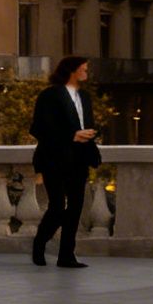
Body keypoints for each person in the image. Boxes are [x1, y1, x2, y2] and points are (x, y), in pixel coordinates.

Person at [29, 55, 100, 268]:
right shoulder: (50, 95)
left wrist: (90, 133)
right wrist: (72, 136)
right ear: (72, 70)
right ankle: (40, 244)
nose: (86, 72)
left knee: (77, 206)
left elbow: (89, 123)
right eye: (84, 69)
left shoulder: (84, 97)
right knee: (58, 206)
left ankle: (66, 255)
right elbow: (39, 128)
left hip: (79, 158)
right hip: (54, 158)